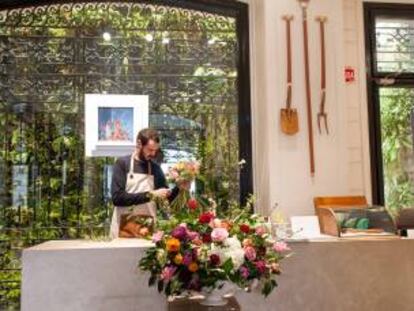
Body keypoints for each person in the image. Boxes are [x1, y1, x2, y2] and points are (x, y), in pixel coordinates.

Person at [110, 128, 178, 238]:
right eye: (150, 150)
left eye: (155, 150)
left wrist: (179, 185)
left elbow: (166, 200)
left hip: (147, 229)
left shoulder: (155, 168)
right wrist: (151, 195)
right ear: (139, 144)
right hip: (123, 228)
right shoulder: (122, 163)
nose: (153, 154)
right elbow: (117, 198)